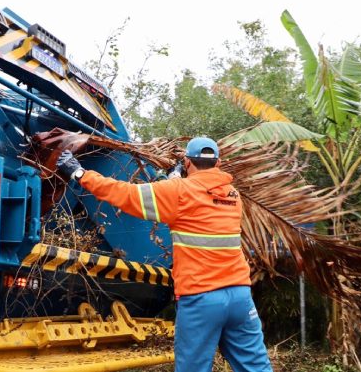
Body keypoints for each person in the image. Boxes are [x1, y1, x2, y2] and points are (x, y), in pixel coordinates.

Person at [56, 137, 272, 372]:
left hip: (201, 299)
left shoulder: (178, 191)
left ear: (188, 162)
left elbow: (125, 194)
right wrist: (176, 178)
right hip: (239, 297)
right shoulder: (232, 196)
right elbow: (197, 195)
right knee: (256, 367)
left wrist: (79, 174)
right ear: (218, 162)